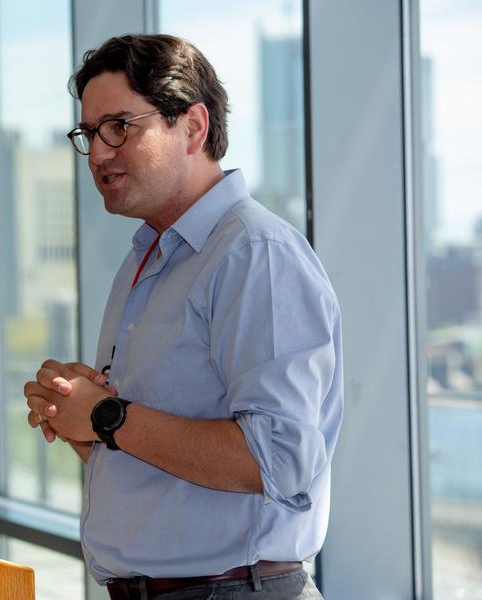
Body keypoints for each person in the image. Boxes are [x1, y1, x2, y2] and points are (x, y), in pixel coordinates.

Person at [23, 34, 342, 600]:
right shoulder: (147, 258)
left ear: (193, 127)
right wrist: (81, 417)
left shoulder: (254, 254)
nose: (97, 152)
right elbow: (149, 450)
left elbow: (280, 459)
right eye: (90, 133)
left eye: (120, 126)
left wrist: (108, 418)